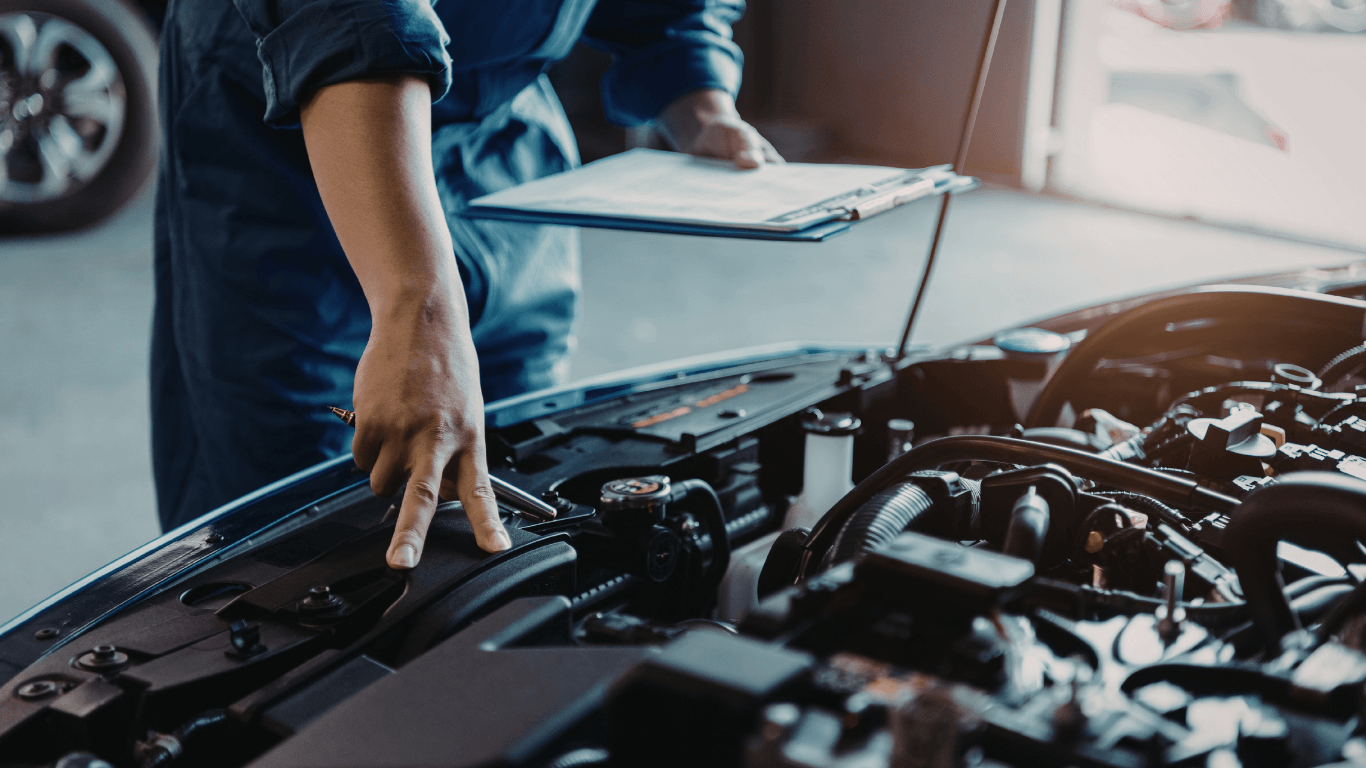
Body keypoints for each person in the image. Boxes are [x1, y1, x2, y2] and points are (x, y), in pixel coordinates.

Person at [152, 0, 780, 570]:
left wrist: (699, 99)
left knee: (528, 464)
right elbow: (351, 18)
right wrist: (417, 306)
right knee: (302, 526)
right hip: (303, 138)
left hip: (501, 134)